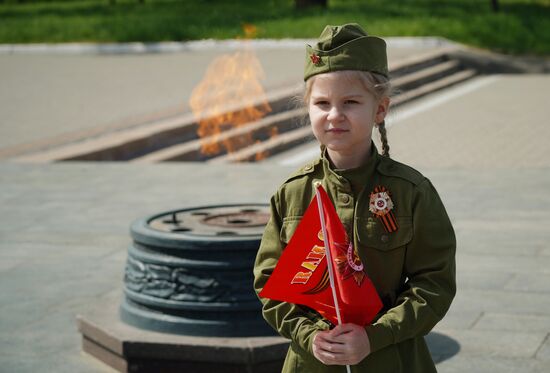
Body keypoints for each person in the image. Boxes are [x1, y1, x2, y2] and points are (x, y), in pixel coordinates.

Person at [253, 23, 456, 372]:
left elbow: (434, 283)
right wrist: (309, 335)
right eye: (322, 103)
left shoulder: (411, 192)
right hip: (312, 362)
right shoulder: (293, 193)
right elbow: (270, 284)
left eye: (350, 102)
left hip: (392, 359)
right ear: (308, 108)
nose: (334, 115)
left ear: (380, 109)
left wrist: (375, 336)